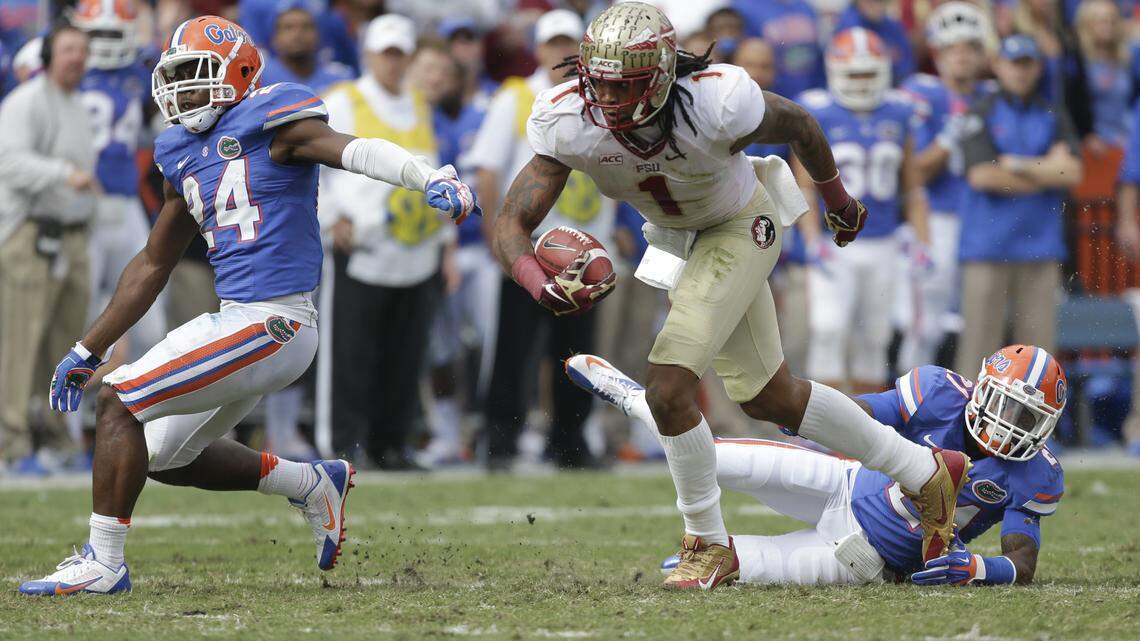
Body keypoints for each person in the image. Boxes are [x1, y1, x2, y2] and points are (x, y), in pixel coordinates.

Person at [490, 2, 970, 590]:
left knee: (668, 387)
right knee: (771, 397)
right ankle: (924, 471)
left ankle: (707, 542)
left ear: (662, 75)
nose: (607, 99)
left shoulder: (716, 101)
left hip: (740, 224)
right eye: (600, 82)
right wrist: (536, 282)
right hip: (677, 239)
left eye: (625, 84)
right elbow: (511, 221)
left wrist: (838, 201)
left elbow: (800, 124)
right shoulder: (568, 117)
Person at [18, 15, 480, 596]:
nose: (183, 90)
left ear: (237, 72)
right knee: (163, 456)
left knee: (119, 401)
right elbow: (153, 263)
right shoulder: (181, 150)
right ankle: (309, 483)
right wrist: (88, 347)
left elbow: (355, 150)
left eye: (195, 74)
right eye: (175, 78)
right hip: (242, 319)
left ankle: (103, 562)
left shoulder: (274, 119)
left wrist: (425, 176)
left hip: (275, 320)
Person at [566, 343, 1065, 586]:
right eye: (1005, 405)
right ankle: (633, 398)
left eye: (1026, 417)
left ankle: (714, 553)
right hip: (840, 482)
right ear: (981, 388)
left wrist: (979, 567)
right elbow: (867, 412)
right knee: (709, 455)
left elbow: (1022, 563)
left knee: (714, 570)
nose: (1009, 424)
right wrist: (811, 420)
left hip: (867, 558)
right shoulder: (939, 393)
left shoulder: (1036, 473)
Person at [467, 9, 617, 470]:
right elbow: (488, 169)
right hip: (532, 247)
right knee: (514, 347)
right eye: (554, 44)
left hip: (586, 250)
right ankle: (500, 440)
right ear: (538, 48)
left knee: (577, 351)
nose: (562, 53)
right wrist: (499, 237)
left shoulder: (602, 96)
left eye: (569, 44)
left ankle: (570, 442)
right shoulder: (516, 96)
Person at [318, 15, 461, 470]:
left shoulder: (418, 104)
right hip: (361, 248)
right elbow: (310, 166)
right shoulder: (343, 100)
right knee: (350, 353)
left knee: (406, 354)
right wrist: (331, 217)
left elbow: (436, 173)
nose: (393, 62)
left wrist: (446, 242)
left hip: (416, 250)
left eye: (400, 54)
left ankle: (393, 445)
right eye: (386, 53)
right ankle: (345, 444)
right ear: (368, 54)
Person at [794, 27, 929, 395]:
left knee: (875, 338)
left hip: (884, 242)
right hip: (833, 243)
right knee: (828, 329)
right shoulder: (818, 112)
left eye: (868, 73)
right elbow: (803, 185)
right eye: (854, 74)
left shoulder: (899, 111)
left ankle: (866, 421)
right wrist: (811, 238)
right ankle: (822, 422)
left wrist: (922, 241)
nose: (862, 82)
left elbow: (913, 188)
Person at [0, 22, 99, 476]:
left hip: (72, 236)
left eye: (82, 49)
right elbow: (8, 162)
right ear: (48, 56)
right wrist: (63, 173)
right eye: (68, 49)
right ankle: (11, 444)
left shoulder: (77, 105)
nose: (77, 57)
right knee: (19, 344)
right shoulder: (26, 101)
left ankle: (60, 439)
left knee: (68, 346)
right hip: (30, 234)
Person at [954, 35, 1081, 378]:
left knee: (1039, 359)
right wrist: (1046, 172)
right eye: (1013, 63)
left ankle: (1035, 417)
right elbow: (982, 176)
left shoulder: (1052, 113)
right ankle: (967, 414)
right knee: (979, 352)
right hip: (987, 247)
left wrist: (1017, 164)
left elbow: (1073, 172)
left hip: (1040, 248)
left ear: (1037, 68)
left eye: (1027, 64)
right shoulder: (980, 112)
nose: (1020, 72)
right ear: (998, 65)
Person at [896, 2, 995, 373]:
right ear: (937, 52)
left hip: (984, 219)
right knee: (925, 323)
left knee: (980, 321)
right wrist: (949, 137)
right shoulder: (922, 94)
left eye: (970, 47)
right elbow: (915, 172)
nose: (962, 55)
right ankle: (912, 394)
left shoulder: (992, 95)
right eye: (953, 47)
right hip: (937, 218)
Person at [76, 0, 167, 372]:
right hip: (82, 204)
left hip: (128, 204)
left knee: (149, 319)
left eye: (112, 33)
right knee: (79, 313)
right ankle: (68, 403)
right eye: (97, 32)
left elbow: (156, 123)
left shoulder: (140, 74)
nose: (104, 41)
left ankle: (141, 397)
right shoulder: (69, 69)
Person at [259, 0, 353, 93]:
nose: (297, 34)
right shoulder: (259, 78)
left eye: (306, 27)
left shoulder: (340, 78)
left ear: (319, 35)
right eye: (288, 27)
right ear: (274, 38)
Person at [833, 0, 916, 84]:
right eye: (873, 1)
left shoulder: (893, 26)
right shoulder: (848, 28)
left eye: (881, 1)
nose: (878, 6)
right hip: (853, 85)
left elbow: (907, 65)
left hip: (891, 84)